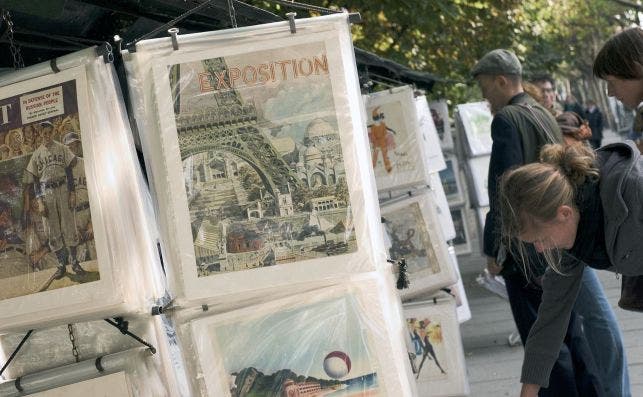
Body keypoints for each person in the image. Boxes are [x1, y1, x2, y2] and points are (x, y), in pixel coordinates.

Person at [504, 27, 643, 397]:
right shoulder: (572, 230)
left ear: (564, 213)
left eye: (540, 238)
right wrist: (528, 389)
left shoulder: (630, 196)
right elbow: (549, 319)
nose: (539, 249)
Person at [471, 49, 606, 396]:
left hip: (531, 239)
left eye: (486, 88)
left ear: (502, 80)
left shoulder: (507, 118)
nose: (485, 97)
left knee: (544, 330)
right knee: (570, 330)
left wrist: (495, 248)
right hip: (555, 231)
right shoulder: (541, 111)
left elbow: (506, 189)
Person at [22, 121, 84, 279]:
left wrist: (72, 192)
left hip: (63, 188)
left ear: (53, 132)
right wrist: (40, 201)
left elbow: (69, 171)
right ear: (40, 134)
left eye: (49, 132)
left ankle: (75, 262)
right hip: (46, 192)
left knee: (69, 225)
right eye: (44, 133)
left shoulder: (62, 148)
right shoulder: (36, 154)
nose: (47, 135)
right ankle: (62, 265)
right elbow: (36, 180)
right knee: (52, 229)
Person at [63, 131, 95, 261]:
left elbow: (98, 195)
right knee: (75, 260)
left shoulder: (87, 164)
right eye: (68, 147)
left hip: (90, 212)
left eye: (74, 146)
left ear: (78, 146)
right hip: (73, 216)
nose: (72, 149)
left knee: (97, 255)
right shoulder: (60, 172)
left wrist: (93, 222)